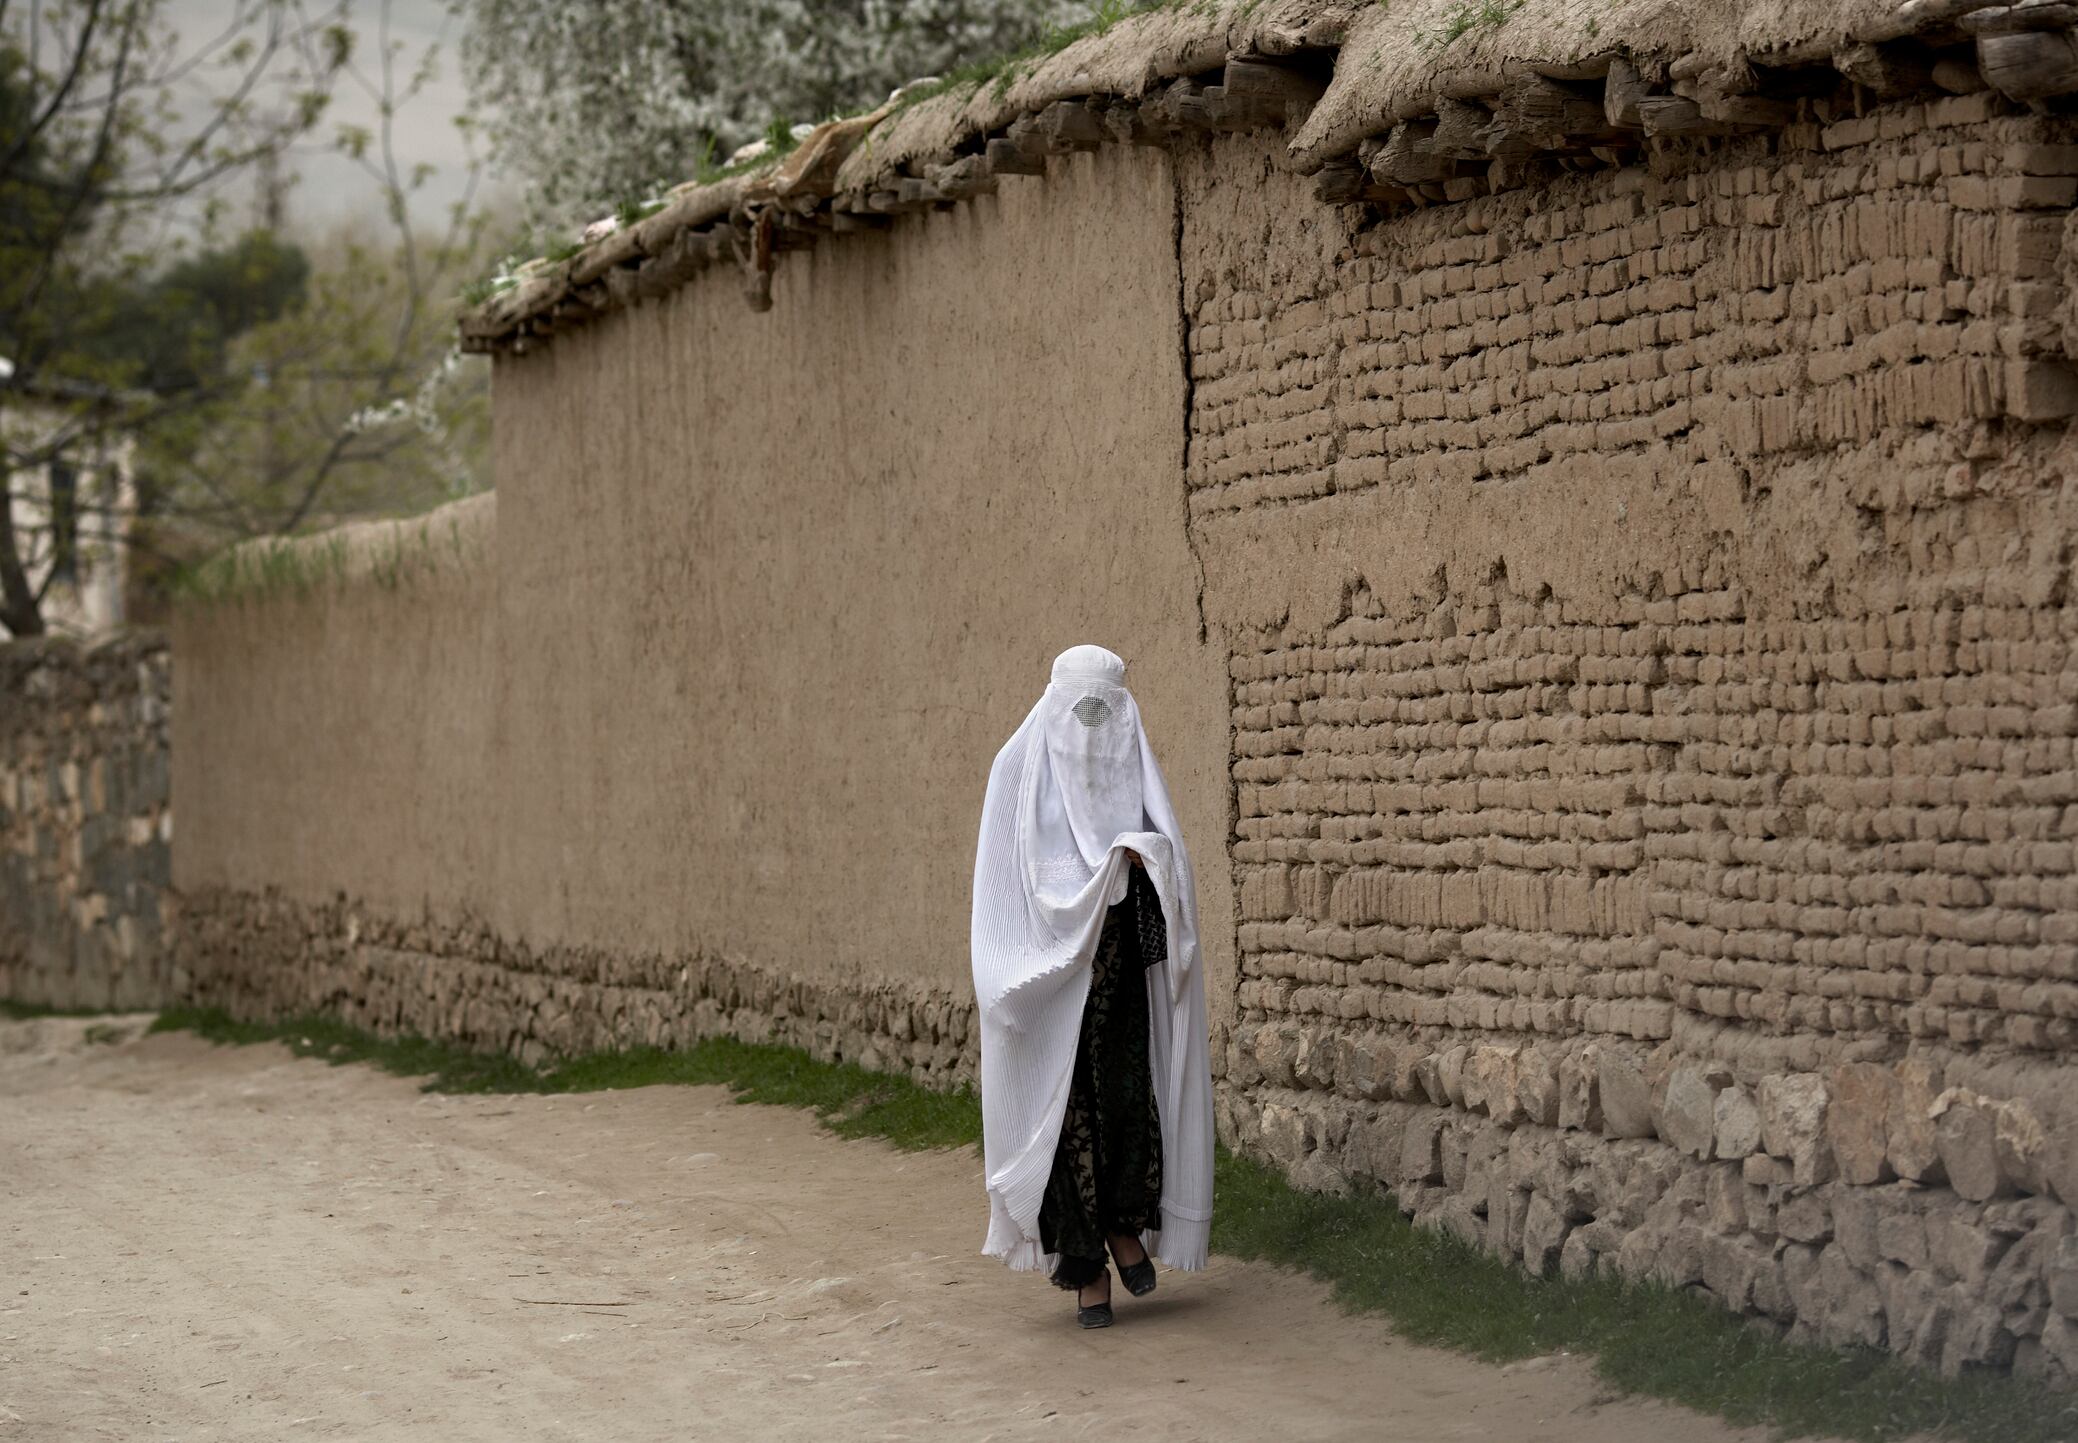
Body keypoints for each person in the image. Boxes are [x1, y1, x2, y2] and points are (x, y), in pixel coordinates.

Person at [969, 643, 1215, 1328]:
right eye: (1079, 713)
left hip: (1118, 965)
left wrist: (1146, 859)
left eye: (1106, 716)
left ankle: (1124, 1226)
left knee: (1125, 1096)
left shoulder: (1131, 759)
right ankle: (1086, 1263)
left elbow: (1171, 864)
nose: (1093, 732)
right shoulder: (1016, 770)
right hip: (1045, 983)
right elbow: (998, 889)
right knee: (1064, 1111)